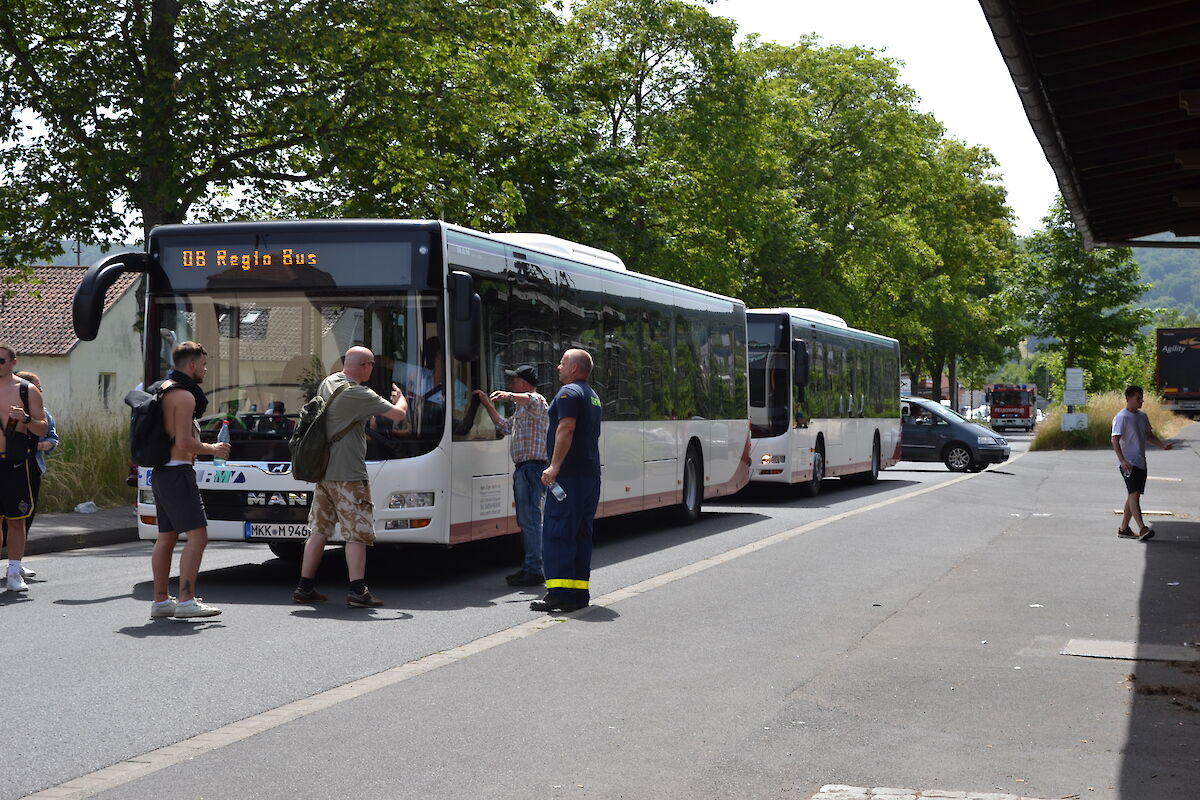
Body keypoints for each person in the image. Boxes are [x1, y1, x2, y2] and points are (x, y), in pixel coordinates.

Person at [293, 346, 408, 608]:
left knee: (319, 530)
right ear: (365, 366)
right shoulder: (359, 392)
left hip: (324, 472)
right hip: (349, 475)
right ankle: (358, 591)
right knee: (356, 533)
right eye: (371, 365)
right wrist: (402, 398)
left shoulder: (329, 382)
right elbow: (397, 414)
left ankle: (304, 586)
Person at [149, 341, 230, 619]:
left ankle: (161, 602)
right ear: (192, 365)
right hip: (177, 472)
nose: (205, 370)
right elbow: (184, 441)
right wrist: (213, 449)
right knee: (198, 536)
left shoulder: (162, 388)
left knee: (166, 537)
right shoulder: (183, 395)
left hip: (160, 471)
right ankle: (185, 601)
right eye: (204, 365)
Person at [532, 349, 602, 613]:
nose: (558, 367)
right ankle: (578, 593)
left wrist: (554, 466)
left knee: (558, 534)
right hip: (589, 478)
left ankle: (559, 595)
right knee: (580, 535)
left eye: (562, 363)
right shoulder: (593, 396)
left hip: (569, 480)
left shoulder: (568, 393)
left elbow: (566, 428)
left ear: (573, 368)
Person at [474, 364, 550, 587]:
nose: (509, 384)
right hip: (525, 470)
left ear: (524, 384)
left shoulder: (537, 401)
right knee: (527, 521)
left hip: (531, 469)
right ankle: (530, 567)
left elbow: (532, 399)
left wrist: (509, 396)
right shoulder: (522, 410)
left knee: (531, 521)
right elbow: (505, 427)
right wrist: (488, 405)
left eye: (513, 381)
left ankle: (535, 569)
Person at [0, 345, 49, 593]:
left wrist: (26, 419)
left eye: (0, 360)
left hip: (15, 463)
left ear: (13, 362)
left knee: (17, 520)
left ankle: (14, 571)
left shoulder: (26, 390)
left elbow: (43, 428)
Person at [1112, 384, 1174, 541]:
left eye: (1142, 398)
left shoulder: (1142, 416)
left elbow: (1149, 435)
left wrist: (1163, 445)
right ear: (1128, 399)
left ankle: (1124, 528)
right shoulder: (1121, 417)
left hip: (1141, 462)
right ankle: (1142, 528)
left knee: (1133, 495)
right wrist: (1122, 460)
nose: (1141, 401)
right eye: (1138, 398)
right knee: (1134, 494)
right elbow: (1115, 439)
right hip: (1128, 464)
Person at [14, 371, 58, 534]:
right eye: (37, 387)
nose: (41, 391)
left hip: (33, 465)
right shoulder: (6, 408)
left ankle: (19, 543)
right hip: (9, 464)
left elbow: (53, 439)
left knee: (29, 507)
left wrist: (38, 446)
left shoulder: (44, 414)